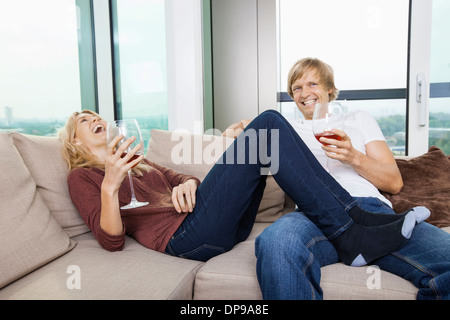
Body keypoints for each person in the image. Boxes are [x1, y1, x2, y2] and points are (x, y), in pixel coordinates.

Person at [61, 108, 423, 266]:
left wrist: (185, 184)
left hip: (216, 224)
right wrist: (111, 184)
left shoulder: (137, 162)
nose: (95, 119)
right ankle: (350, 227)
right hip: (185, 239)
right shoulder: (83, 177)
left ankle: (353, 220)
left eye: (96, 115)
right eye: (84, 120)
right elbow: (110, 240)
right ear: (75, 143)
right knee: (266, 125)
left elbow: (178, 178)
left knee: (266, 132)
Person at [241, 57, 450, 300]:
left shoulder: (358, 119)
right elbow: (254, 128)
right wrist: (238, 127)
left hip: (370, 213)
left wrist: (353, 157)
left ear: (329, 88)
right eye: (297, 88)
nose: (304, 93)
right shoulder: (288, 129)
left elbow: (394, 182)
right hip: (312, 217)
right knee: (277, 243)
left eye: (312, 84)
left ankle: (361, 237)